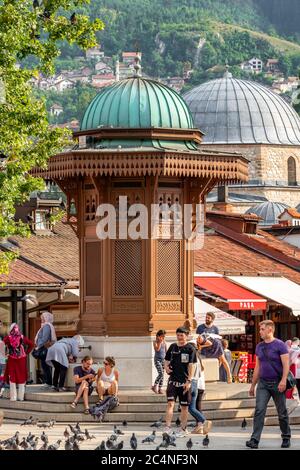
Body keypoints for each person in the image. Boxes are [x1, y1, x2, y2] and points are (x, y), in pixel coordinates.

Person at [246, 320, 291, 449]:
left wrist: (283, 381)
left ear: (270, 330)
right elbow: (257, 367)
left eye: (262, 329)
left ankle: (286, 437)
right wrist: (252, 385)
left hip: (278, 383)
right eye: (260, 329)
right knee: (259, 410)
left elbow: (286, 365)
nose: (260, 332)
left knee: (282, 412)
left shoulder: (280, 345)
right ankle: (254, 440)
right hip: (263, 384)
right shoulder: (259, 346)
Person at [164, 326, 197, 436]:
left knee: (184, 407)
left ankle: (183, 429)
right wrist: (166, 367)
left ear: (186, 336)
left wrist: (189, 381)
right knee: (170, 404)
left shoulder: (190, 349)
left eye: (181, 335)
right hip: (172, 381)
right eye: (178, 335)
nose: (179, 337)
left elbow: (191, 366)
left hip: (184, 383)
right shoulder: (173, 347)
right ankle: (167, 428)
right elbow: (166, 360)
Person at [3, 323, 34, 401]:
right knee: (21, 377)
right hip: (21, 360)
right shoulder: (23, 338)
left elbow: (2, 344)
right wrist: (26, 353)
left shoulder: (8, 338)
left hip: (11, 359)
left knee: (12, 377)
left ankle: (13, 397)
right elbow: (31, 344)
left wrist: (5, 354)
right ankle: (21, 397)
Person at [188, 341, 211, 435]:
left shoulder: (193, 358)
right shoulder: (198, 357)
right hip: (200, 384)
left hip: (195, 384)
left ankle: (202, 423)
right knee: (197, 407)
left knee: (193, 407)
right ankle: (200, 427)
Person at [33, 311, 57, 387]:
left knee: (45, 365)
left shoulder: (46, 326)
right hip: (46, 348)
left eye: (43, 317)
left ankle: (48, 382)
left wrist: (38, 346)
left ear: (46, 318)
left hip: (44, 348)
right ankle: (48, 381)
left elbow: (44, 338)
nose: (41, 319)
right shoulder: (47, 325)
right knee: (46, 364)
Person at [152, 329, 167, 394]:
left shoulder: (164, 342)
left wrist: (167, 360)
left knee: (162, 374)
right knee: (160, 373)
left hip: (163, 360)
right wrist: (160, 342)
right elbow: (157, 349)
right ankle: (155, 386)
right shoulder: (155, 342)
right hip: (157, 360)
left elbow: (166, 351)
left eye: (164, 336)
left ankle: (160, 388)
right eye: (162, 336)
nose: (163, 338)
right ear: (158, 336)